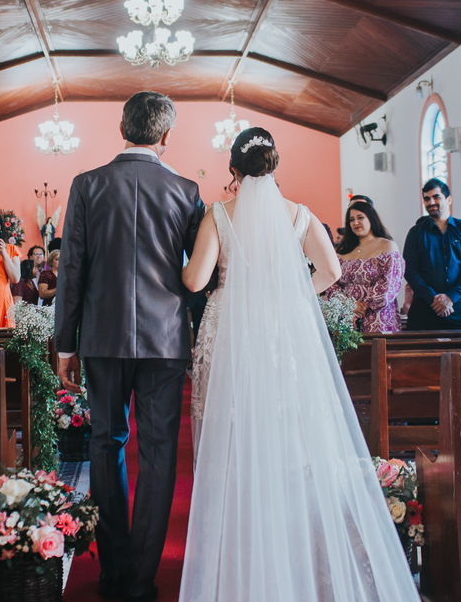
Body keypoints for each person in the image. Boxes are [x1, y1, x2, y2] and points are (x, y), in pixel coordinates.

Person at [179, 128, 418, 602]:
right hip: (281, 330)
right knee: (288, 431)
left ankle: (239, 543)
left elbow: (194, 280)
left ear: (233, 170)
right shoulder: (300, 216)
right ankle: (289, 540)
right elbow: (329, 272)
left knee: (231, 433)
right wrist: (292, 298)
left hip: (229, 327)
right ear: (275, 165)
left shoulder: (219, 215)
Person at [54, 91, 204, 602]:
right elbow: (198, 275)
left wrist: (65, 345)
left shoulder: (87, 184)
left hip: (101, 335)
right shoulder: (186, 190)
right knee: (159, 453)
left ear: (122, 128)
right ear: (165, 136)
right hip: (165, 340)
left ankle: (113, 568)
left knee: (106, 443)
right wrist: (200, 337)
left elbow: (70, 269)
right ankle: (141, 577)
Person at [403, 178, 461, 330]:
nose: (431, 202)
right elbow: (410, 270)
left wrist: (450, 297)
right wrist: (433, 299)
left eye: (436, 197)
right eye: (426, 199)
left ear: (449, 199)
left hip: (459, 309)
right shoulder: (415, 233)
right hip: (423, 311)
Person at [329, 199, 404, 333]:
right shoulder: (342, 250)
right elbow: (332, 283)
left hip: (378, 316)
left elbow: (389, 284)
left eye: (360, 217)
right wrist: (350, 305)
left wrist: (363, 306)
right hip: (347, 315)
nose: (355, 222)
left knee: (377, 352)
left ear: (371, 218)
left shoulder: (387, 246)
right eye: (351, 220)